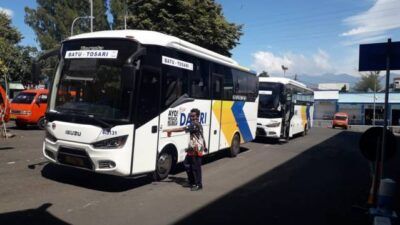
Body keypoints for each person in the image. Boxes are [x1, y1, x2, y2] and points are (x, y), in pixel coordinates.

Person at [164, 108, 206, 191]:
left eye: (193, 116)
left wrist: (170, 130)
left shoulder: (195, 124)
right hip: (192, 148)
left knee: (195, 167)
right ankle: (192, 182)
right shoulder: (195, 124)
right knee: (186, 163)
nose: (192, 117)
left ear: (197, 116)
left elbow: (182, 129)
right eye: (190, 116)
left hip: (196, 149)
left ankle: (198, 184)